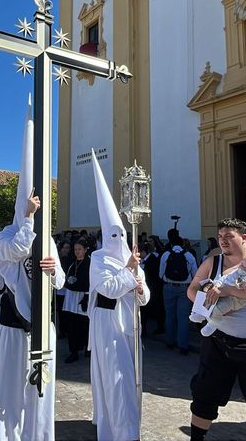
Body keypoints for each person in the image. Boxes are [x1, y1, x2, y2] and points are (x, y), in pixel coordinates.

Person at [0, 111, 65, 441]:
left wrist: (55, 272)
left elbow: (61, 281)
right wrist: (28, 220)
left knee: (38, 386)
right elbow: (14, 253)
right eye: (28, 206)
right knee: (12, 384)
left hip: (43, 323)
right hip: (13, 322)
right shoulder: (4, 236)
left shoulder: (50, 239)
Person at [186, 218, 246, 441]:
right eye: (221, 237)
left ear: (243, 238)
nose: (223, 241)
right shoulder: (213, 262)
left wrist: (228, 290)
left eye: (229, 236)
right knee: (204, 394)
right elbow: (192, 289)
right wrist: (207, 296)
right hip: (218, 341)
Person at [87, 150, 150, 440]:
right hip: (107, 323)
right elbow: (109, 288)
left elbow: (145, 296)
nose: (118, 240)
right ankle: (117, 430)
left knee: (130, 378)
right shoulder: (98, 259)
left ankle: (129, 425)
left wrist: (139, 287)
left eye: (120, 235)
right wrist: (128, 272)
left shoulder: (132, 257)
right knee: (114, 378)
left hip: (129, 323)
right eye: (112, 235)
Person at [160, 231, 197, 355]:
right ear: (183, 245)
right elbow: (195, 275)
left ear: (171, 244)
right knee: (183, 317)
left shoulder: (166, 254)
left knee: (169, 315)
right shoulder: (189, 256)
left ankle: (170, 342)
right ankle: (183, 346)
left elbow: (161, 274)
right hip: (184, 288)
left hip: (168, 286)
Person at [62, 238, 90, 363]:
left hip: (83, 297)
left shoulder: (90, 264)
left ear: (85, 250)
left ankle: (88, 348)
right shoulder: (72, 263)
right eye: (75, 249)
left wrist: (86, 297)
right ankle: (73, 351)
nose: (77, 252)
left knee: (85, 325)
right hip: (71, 298)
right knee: (72, 326)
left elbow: (90, 282)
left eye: (79, 249)